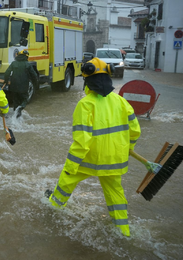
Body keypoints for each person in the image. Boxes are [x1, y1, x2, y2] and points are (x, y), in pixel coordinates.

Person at [45, 57, 141, 237]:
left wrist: (71, 167)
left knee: (67, 181)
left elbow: (82, 141)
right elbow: (135, 130)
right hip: (115, 160)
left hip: (90, 158)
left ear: (87, 81)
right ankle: (123, 231)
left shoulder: (85, 104)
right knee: (115, 194)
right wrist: (129, 148)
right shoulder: (121, 101)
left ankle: (53, 207)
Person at [3, 49, 38, 118]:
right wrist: (35, 84)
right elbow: (34, 75)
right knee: (25, 99)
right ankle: (20, 108)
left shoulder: (13, 63)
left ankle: (16, 117)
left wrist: (6, 81)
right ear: (26, 57)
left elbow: (7, 73)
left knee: (15, 101)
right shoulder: (27, 64)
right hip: (23, 87)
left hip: (13, 87)